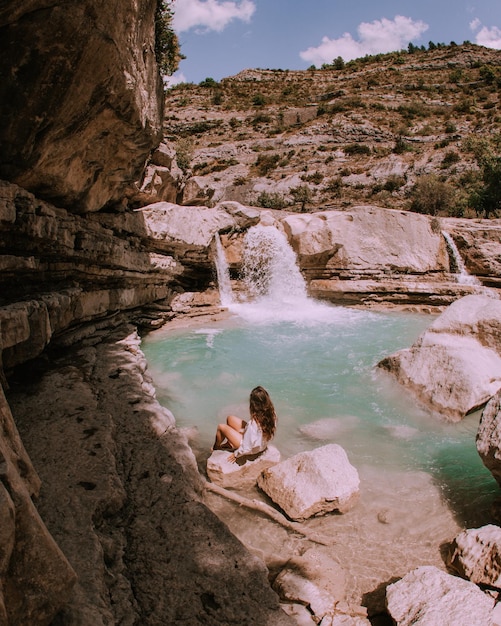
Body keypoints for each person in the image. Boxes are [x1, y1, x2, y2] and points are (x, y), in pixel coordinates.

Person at [212, 386, 277, 463]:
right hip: (260, 445)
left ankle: (216, 448)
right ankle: (229, 444)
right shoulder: (272, 414)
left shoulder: (253, 424)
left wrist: (236, 454)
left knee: (221, 427)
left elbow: (247, 447)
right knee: (230, 418)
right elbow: (258, 434)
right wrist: (245, 431)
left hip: (253, 449)